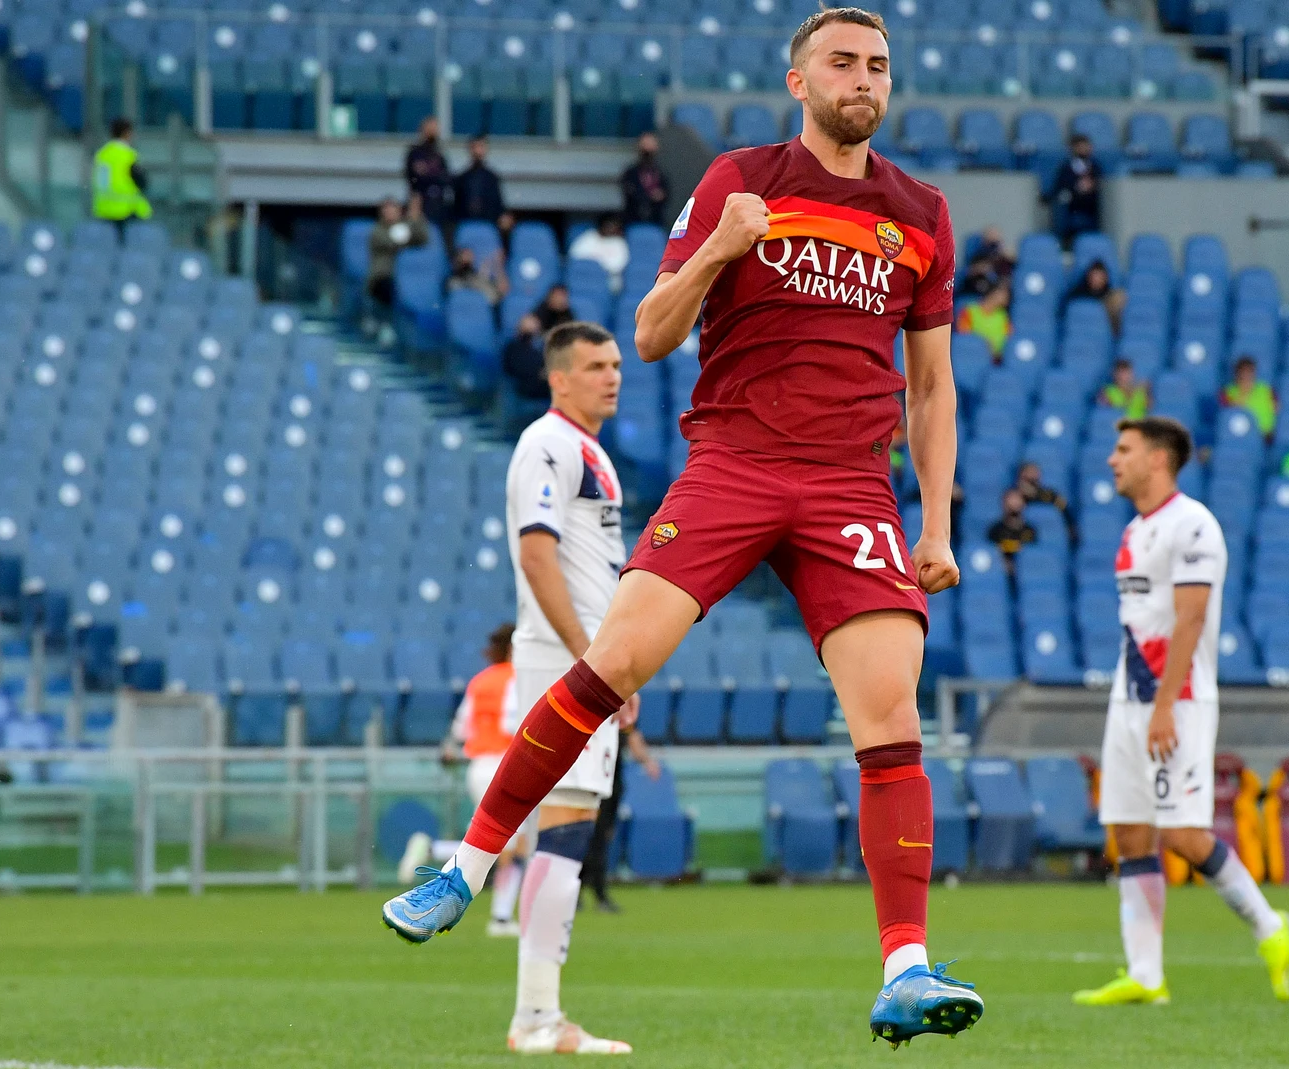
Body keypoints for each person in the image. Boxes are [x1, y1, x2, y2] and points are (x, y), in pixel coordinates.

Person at [379, 8, 984, 1048]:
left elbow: (932, 388)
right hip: (735, 466)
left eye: (878, 66)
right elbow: (654, 334)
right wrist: (718, 247)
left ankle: (905, 965)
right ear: (798, 82)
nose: (863, 80)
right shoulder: (741, 183)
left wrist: (934, 520)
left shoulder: (919, 212)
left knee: (892, 721)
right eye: (842, 63)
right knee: (611, 664)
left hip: (850, 488)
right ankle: (465, 869)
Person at [386, 322, 636, 1055]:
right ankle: (536, 1017)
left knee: (564, 837)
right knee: (562, 835)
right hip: (564, 661)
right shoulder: (548, 442)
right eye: (595, 365)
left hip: (583, 658)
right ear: (558, 377)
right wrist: (595, 663)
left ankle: (537, 1014)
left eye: (616, 363)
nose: (611, 375)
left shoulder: (592, 450)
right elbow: (536, 554)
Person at [1073, 417, 1289, 1009]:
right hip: (1129, 700)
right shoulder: (1133, 532)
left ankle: (1271, 929)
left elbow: (1190, 620)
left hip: (1178, 702)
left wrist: (1165, 706)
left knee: (1180, 834)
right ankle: (1147, 976)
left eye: (1122, 450)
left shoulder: (1194, 525)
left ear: (1157, 459)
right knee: (1128, 832)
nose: (1111, 460)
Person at [397, 624, 537, 937]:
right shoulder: (519, 678)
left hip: (478, 766)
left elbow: (462, 730)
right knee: (512, 845)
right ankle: (498, 916)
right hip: (505, 766)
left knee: (505, 843)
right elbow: (515, 723)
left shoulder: (481, 681)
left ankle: (500, 917)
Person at [577, 710, 662, 914]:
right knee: (597, 841)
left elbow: (632, 736)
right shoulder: (618, 703)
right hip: (603, 785)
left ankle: (578, 893)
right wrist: (648, 761)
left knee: (586, 838)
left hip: (591, 783)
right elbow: (633, 739)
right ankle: (597, 895)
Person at [90, 117, 151, 235]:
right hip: (126, 211)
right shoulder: (128, 155)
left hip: (103, 210)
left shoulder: (102, 154)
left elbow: (100, 182)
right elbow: (141, 182)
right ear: (126, 133)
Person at [1049, 134, 1102, 244]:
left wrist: (1091, 187)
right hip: (1072, 206)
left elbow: (1102, 185)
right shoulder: (1066, 168)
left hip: (1092, 206)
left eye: (1086, 146)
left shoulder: (1096, 167)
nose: (1084, 150)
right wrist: (1077, 188)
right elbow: (1058, 188)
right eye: (1081, 147)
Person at [405, 116, 454, 228]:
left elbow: (445, 178)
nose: (433, 130)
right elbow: (414, 178)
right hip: (421, 202)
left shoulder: (439, 154)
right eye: (430, 127)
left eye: (435, 128)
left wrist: (429, 173)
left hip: (438, 202)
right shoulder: (415, 153)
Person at [453, 134, 506, 228]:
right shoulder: (461, 179)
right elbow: (456, 206)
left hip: (489, 226)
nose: (477, 151)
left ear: (486, 149)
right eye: (474, 147)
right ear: (470, 150)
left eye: (481, 147)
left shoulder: (492, 178)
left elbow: (498, 205)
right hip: (466, 226)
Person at [619, 131, 671, 226]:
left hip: (655, 221)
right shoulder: (631, 173)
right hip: (633, 221)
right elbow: (630, 193)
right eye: (645, 149)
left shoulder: (660, 174)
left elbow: (665, 195)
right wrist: (650, 196)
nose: (648, 153)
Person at [569, 214, 631, 290]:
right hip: (587, 277)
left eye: (613, 226)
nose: (611, 229)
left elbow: (619, 265)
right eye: (609, 225)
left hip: (608, 280)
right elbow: (575, 256)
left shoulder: (618, 242)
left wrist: (599, 267)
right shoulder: (588, 238)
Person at [1220, 355, 1277, 437]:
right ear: (1237, 374)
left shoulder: (1267, 390)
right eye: (1243, 373)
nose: (1246, 376)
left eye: (1249, 372)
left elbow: (1277, 408)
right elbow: (1225, 416)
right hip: (1237, 436)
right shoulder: (1227, 393)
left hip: (1264, 437)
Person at [501, 313, 550, 404]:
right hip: (524, 390)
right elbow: (514, 368)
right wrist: (540, 372)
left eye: (534, 326)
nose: (532, 330)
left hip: (546, 391)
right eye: (527, 328)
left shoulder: (543, 347)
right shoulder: (513, 347)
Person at [954, 280, 1011, 358]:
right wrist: (982, 345)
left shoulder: (1003, 316)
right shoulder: (969, 311)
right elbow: (964, 334)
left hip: (995, 360)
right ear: (992, 293)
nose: (1005, 297)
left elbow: (1009, 337)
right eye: (1000, 293)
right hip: (972, 355)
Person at [986, 488, 1038, 566]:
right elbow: (991, 553)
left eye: (1017, 500)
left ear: (1023, 503)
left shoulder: (1030, 531)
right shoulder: (995, 530)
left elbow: (1033, 555)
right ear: (1003, 504)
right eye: (1010, 500)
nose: (1014, 503)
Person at [1068, 261, 1127, 329]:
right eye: (1094, 276)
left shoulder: (1111, 297)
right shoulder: (1077, 294)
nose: (1096, 280)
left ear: (1105, 278)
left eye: (1099, 277)